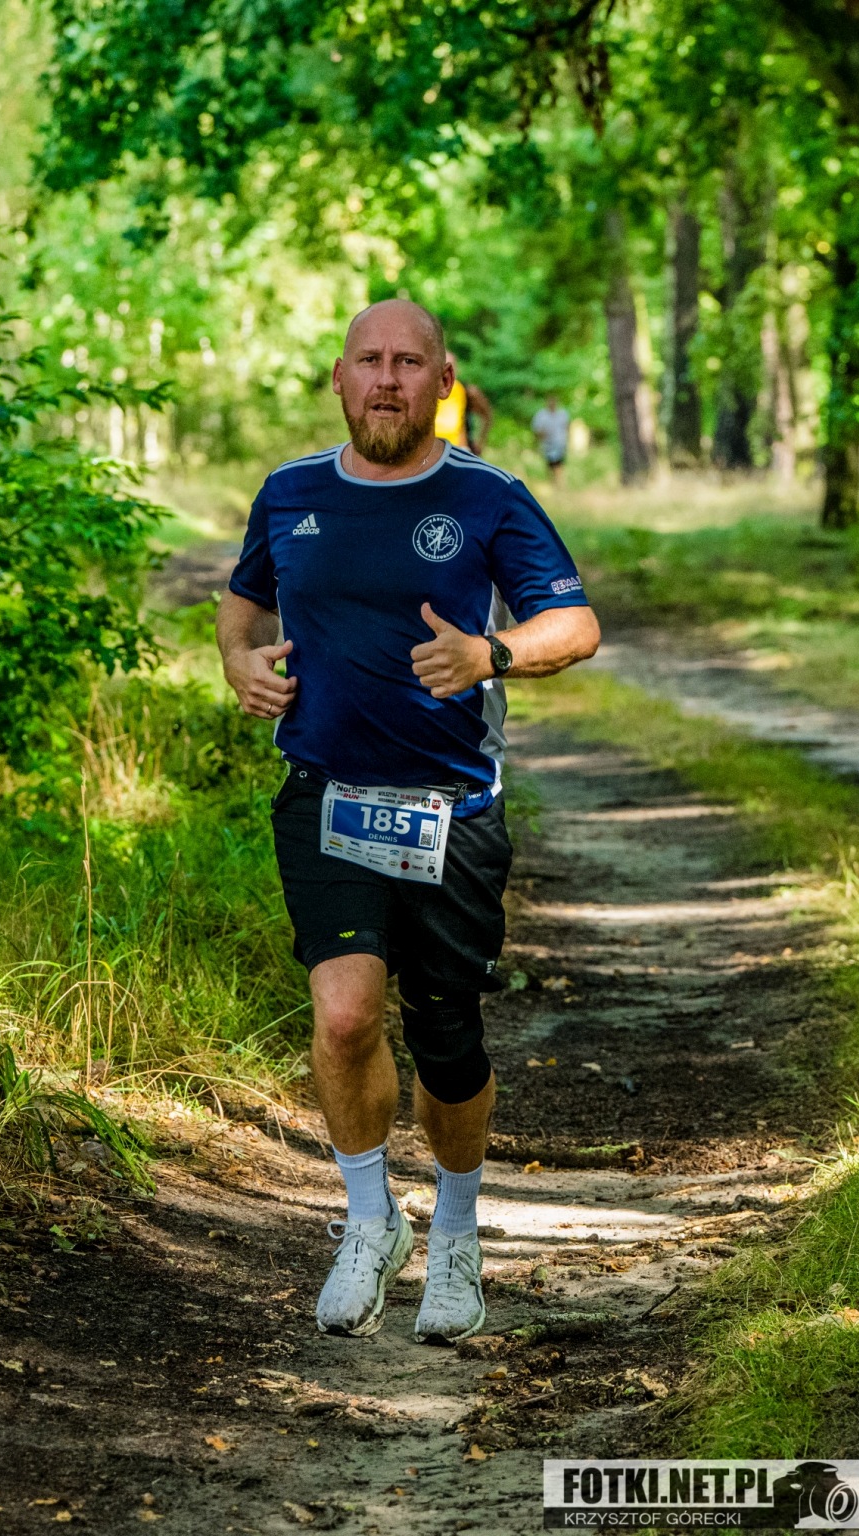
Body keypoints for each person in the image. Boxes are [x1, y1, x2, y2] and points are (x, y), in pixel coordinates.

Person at [217, 300, 599, 1345]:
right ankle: (369, 1222)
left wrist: (492, 654)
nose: (387, 379)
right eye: (369, 361)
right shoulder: (290, 491)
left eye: (409, 363)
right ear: (339, 378)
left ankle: (459, 1232)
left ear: (443, 381)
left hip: (450, 810)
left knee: (445, 1038)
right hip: (325, 797)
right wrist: (239, 660)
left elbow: (575, 623)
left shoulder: (488, 495)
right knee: (344, 1019)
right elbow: (243, 601)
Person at [435, 351, 493, 456]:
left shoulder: (467, 391)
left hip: (458, 450)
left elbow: (487, 415)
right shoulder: (424, 392)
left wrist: (479, 443)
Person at [532, 393, 571, 483]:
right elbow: (536, 430)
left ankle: (559, 483)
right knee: (550, 465)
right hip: (547, 444)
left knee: (559, 464)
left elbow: (567, 426)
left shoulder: (562, 414)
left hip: (560, 443)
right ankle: (552, 482)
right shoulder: (541, 415)